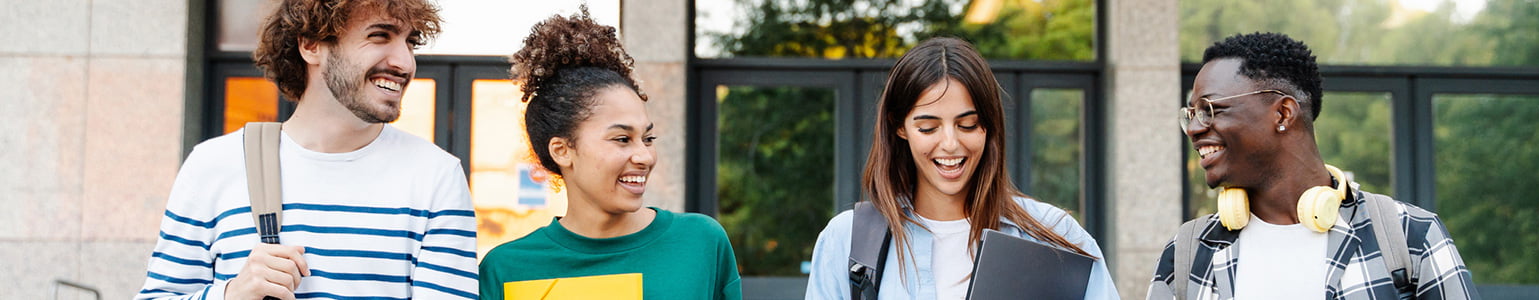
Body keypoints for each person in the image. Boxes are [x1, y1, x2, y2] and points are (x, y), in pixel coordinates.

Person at [135, 0, 478, 299]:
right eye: (380, 36)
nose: (405, 63)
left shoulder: (437, 176)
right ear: (311, 44)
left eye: (410, 42)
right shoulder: (214, 164)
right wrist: (231, 293)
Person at [1148, 32, 1478, 299]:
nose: (1193, 129)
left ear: (1282, 114)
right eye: (1190, 115)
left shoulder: (1410, 236)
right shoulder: (1188, 251)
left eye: (1209, 109)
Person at [805, 37, 1118, 299]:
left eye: (968, 125)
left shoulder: (1052, 236)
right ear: (899, 127)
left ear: (989, 125)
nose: (951, 144)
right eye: (928, 127)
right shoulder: (847, 240)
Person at [476, 8, 742, 300]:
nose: (645, 157)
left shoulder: (700, 243)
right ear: (563, 150)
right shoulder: (506, 270)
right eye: (622, 139)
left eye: (648, 138)